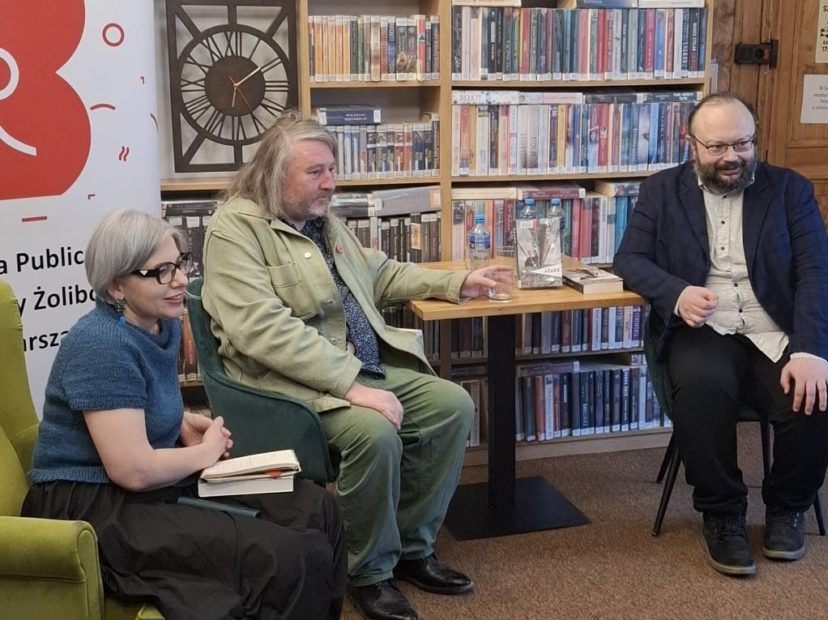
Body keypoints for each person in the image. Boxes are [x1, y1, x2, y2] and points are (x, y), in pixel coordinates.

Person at [200, 112, 509, 620]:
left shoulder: (320, 219)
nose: (330, 183)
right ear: (274, 174)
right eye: (315, 172)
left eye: (332, 170)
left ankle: (411, 548)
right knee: (374, 432)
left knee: (452, 406)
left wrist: (455, 282)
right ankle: (367, 572)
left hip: (354, 367)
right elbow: (260, 330)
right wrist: (351, 386)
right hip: (284, 385)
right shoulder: (234, 230)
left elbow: (377, 274)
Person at [21, 209, 346, 619]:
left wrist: (178, 422)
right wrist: (203, 453)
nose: (179, 280)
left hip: (147, 482)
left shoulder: (162, 324)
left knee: (317, 508)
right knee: (282, 555)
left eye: (179, 264)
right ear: (116, 285)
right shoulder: (100, 345)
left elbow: (135, 406)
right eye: (161, 272)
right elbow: (132, 470)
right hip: (92, 502)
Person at [613, 93, 828, 577]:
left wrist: (811, 350)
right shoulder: (661, 191)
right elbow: (629, 261)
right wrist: (676, 292)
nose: (732, 157)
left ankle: (787, 507)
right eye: (717, 147)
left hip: (778, 328)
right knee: (701, 393)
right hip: (705, 327)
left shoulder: (790, 190)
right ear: (691, 144)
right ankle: (723, 514)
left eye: (743, 143)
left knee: (817, 400)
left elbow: (816, 271)